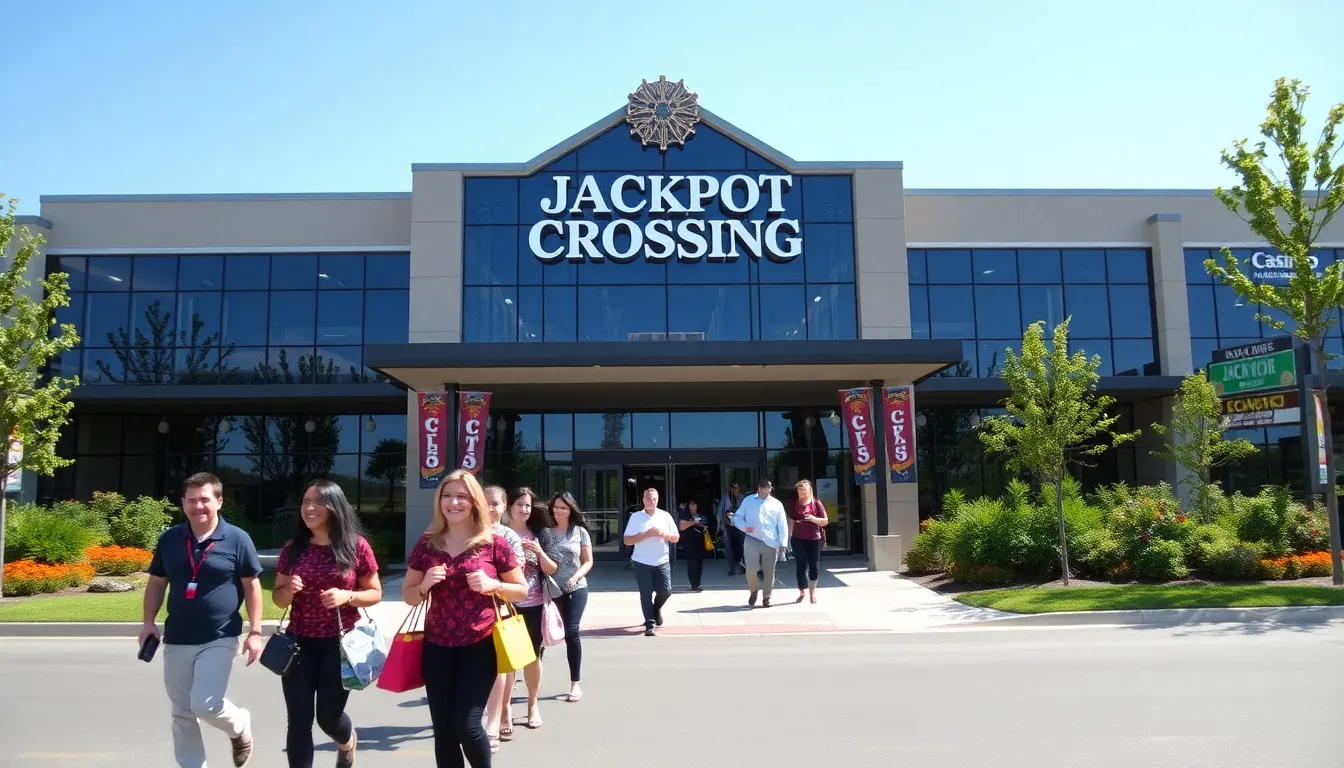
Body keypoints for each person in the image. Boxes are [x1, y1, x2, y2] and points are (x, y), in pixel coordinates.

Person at [402, 469, 528, 768]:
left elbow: (521, 591)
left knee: (467, 725)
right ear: (439, 500)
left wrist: (494, 585)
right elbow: (408, 595)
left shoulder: (494, 543)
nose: (453, 502)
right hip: (437, 647)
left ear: (474, 502)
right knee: (444, 732)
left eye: (462, 496)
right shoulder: (427, 543)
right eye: (447, 495)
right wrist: (424, 585)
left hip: (479, 644)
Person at [139, 472, 265, 768]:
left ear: (219, 501)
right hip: (178, 636)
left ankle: (239, 726)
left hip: (219, 636)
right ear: (183, 503)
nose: (199, 506)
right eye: (192, 500)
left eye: (205, 499)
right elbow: (157, 583)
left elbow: (251, 585)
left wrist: (255, 631)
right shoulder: (170, 539)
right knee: (182, 712)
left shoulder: (237, 538)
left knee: (205, 704)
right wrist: (148, 623)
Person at [272, 479, 382, 768]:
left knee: (328, 717)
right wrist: (289, 590)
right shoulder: (293, 549)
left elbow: (375, 593)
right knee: (298, 719)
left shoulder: (356, 546)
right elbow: (279, 600)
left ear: (334, 507)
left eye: (317, 502)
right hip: (298, 643)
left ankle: (346, 742)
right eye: (306, 501)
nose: (309, 508)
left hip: (340, 644)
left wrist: (347, 596)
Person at [503, 487, 551, 731]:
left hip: (534, 603)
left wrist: (539, 552)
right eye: (519, 504)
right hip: (506, 605)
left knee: (532, 656)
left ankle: (533, 705)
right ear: (508, 507)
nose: (524, 509)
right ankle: (505, 709)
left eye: (528, 506)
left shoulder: (538, 534)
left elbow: (552, 569)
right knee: (508, 660)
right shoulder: (499, 534)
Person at [539, 491, 593, 702]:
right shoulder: (545, 533)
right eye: (555, 507)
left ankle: (575, 683)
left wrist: (575, 577)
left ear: (570, 510)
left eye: (563, 507)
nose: (558, 511)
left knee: (571, 632)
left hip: (576, 587)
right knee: (542, 632)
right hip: (551, 589)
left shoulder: (580, 532)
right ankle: (534, 674)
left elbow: (588, 561)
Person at [481, 485, 523, 753]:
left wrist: (491, 581)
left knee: (503, 665)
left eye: (495, 503)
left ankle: (501, 714)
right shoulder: (467, 532)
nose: (489, 508)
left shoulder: (509, 536)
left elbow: (517, 575)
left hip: (501, 607)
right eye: (484, 502)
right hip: (469, 612)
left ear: (504, 506)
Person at [622, 487, 679, 636]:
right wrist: (645, 535)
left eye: (653, 499)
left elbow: (676, 537)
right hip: (641, 561)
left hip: (661, 560)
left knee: (666, 591)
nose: (650, 501)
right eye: (648, 498)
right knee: (645, 593)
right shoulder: (636, 517)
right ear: (643, 500)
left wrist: (664, 534)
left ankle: (655, 609)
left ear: (657, 500)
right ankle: (650, 623)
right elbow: (627, 540)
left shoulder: (665, 516)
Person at [733, 479, 790, 608]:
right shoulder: (748, 501)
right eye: (764, 488)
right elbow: (737, 517)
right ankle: (753, 591)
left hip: (771, 541)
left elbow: (782, 524)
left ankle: (766, 597)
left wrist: (784, 542)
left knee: (769, 571)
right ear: (759, 488)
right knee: (751, 570)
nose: (767, 491)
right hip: (752, 539)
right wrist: (744, 527)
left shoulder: (777, 504)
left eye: (769, 488)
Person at [787, 479, 827, 605]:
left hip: (814, 539)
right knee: (801, 565)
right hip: (798, 539)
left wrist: (813, 518)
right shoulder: (794, 504)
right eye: (799, 489)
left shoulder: (816, 503)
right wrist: (788, 538)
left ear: (809, 490)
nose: (801, 491)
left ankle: (812, 594)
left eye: (804, 489)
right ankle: (801, 592)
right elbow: (790, 521)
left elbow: (825, 521)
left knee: (814, 566)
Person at [677, 499, 710, 592]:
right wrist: (695, 522)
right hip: (688, 542)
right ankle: (693, 584)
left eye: (694, 505)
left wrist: (694, 523)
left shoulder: (702, 515)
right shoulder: (684, 514)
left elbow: (705, 525)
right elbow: (682, 526)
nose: (692, 507)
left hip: (700, 541)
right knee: (692, 562)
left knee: (699, 562)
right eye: (691, 505)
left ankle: (697, 583)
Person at [718, 481, 746, 576]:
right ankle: (732, 568)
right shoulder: (726, 498)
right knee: (729, 548)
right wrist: (720, 525)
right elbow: (720, 512)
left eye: (737, 487)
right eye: (733, 487)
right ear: (730, 488)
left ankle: (743, 567)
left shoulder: (743, 498)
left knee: (743, 547)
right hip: (728, 525)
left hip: (741, 526)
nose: (735, 489)